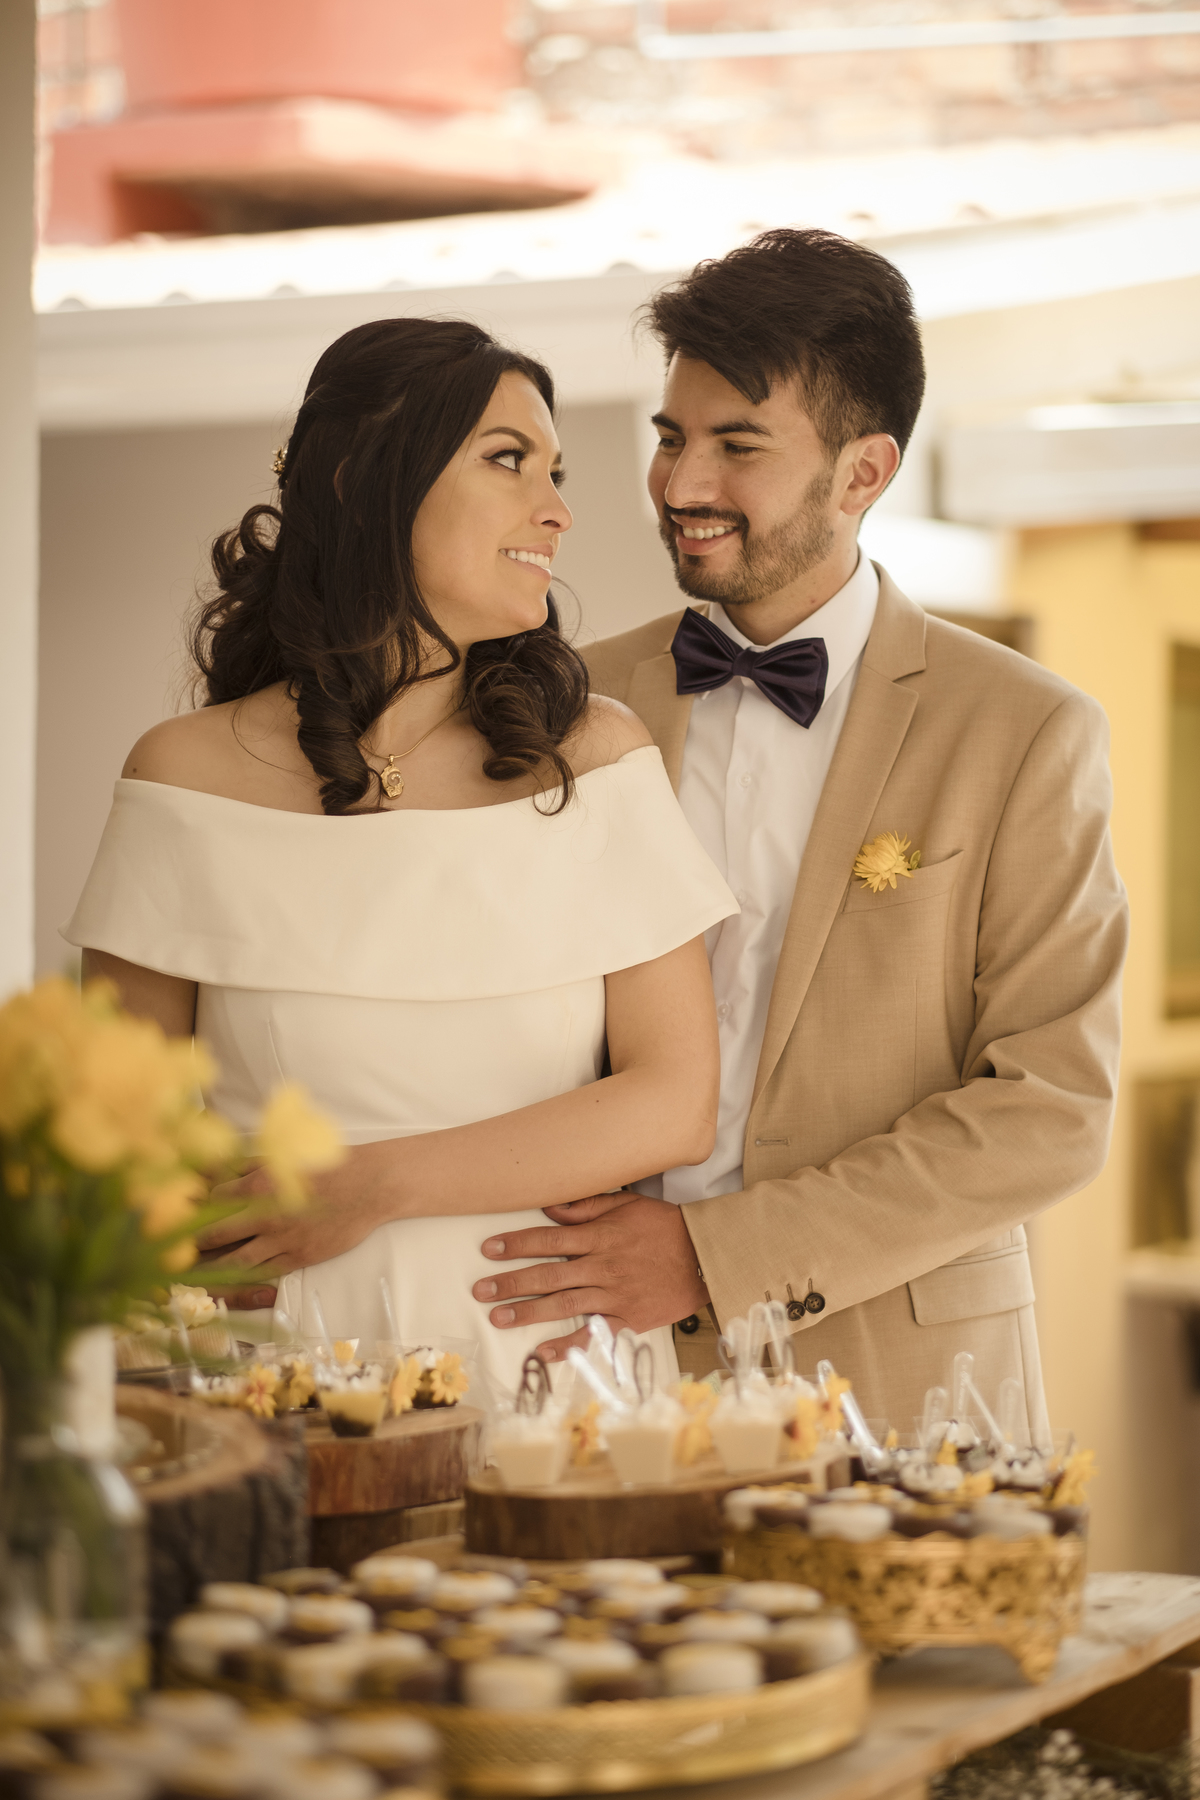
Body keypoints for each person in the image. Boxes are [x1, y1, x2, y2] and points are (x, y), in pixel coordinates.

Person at [466, 229, 1129, 1439]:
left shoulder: (1027, 731)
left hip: (905, 1389)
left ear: (864, 471)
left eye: (737, 445)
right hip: (582, 1366)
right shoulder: (559, 702)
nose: (680, 484)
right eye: (671, 437)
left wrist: (718, 1256)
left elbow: (1051, 1104)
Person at [63, 317, 737, 1403]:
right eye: (508, 460)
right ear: (362, 478)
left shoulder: (597, 756)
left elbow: (673, 1100)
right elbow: (117, 1131)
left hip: (548, 1360)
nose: (556, 509)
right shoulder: (183, 775)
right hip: (277, 1365)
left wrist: (372, 1185)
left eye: (556, 473)